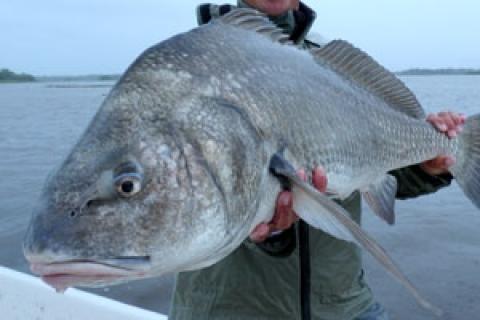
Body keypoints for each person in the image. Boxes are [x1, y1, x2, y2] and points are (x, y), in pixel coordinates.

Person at [169, 1, 466, 319]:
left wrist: (428, 166)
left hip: (343, 306)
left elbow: (374, 164)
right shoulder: (190, 64)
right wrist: (267, 230)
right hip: (229, 310)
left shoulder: (331, 64)